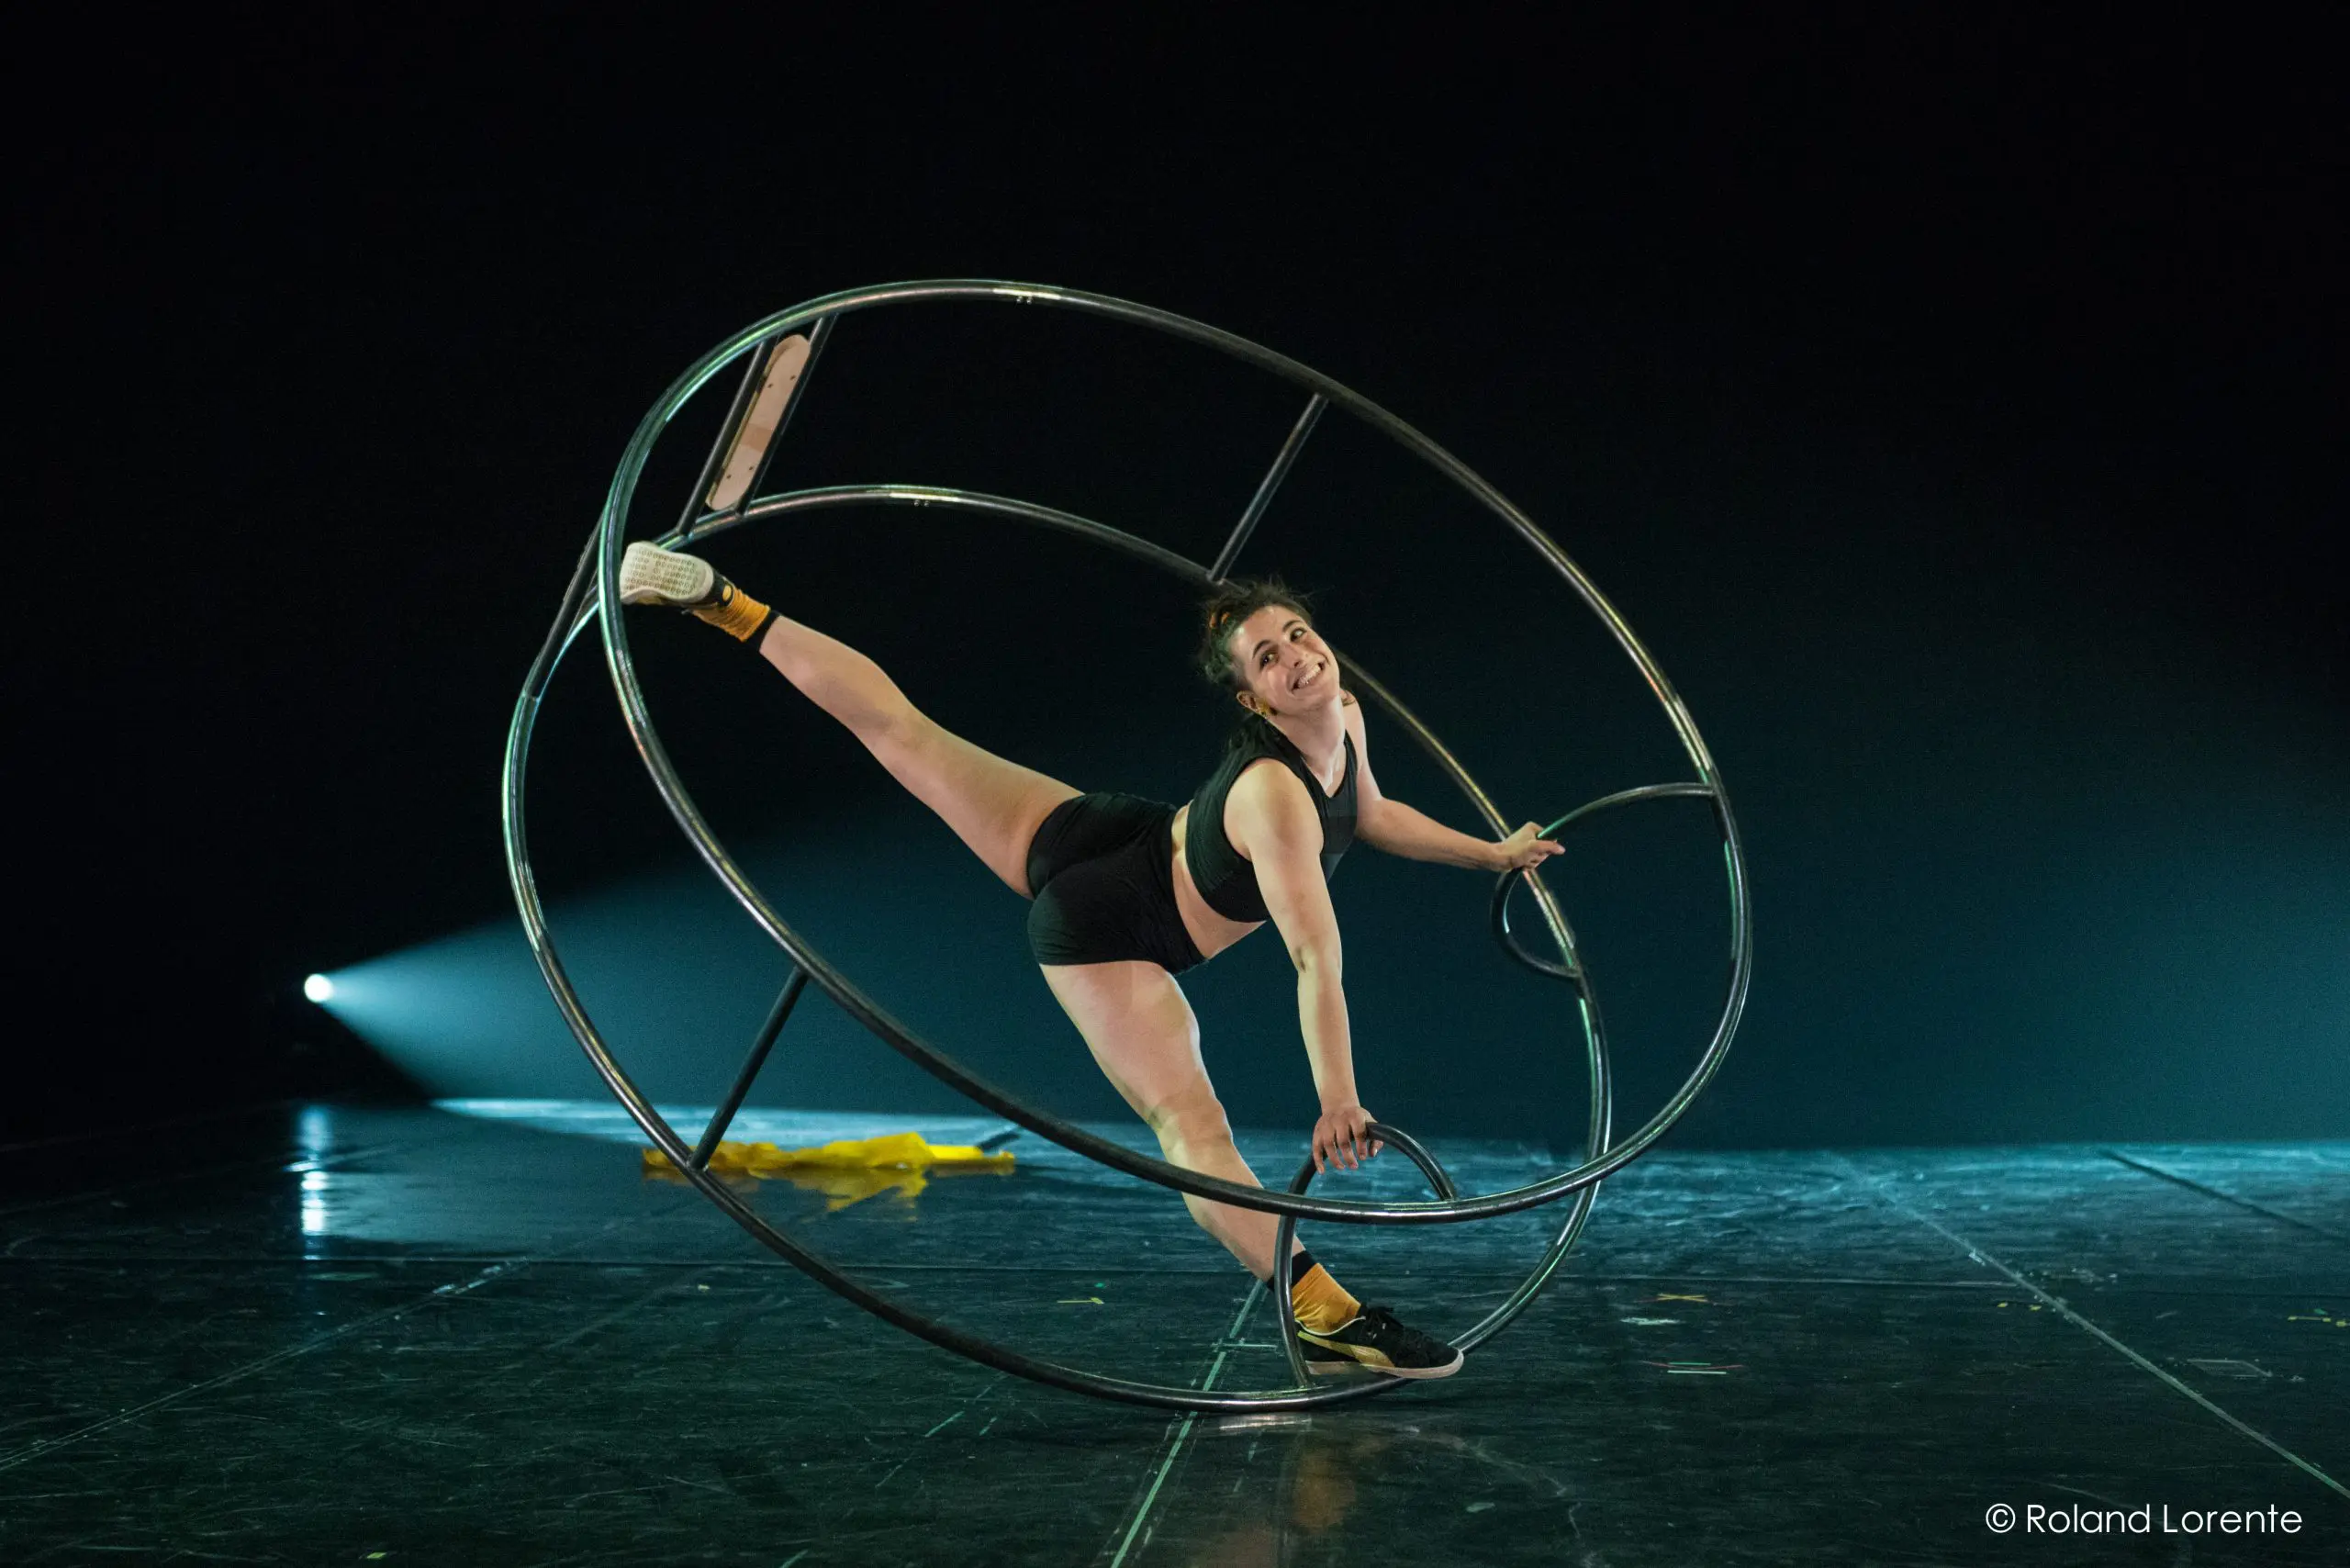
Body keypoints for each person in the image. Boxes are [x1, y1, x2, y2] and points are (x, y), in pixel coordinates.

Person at [619, 542, 1562, 1377]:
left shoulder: (1345, 717)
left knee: (910, 732)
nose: (1296, 658)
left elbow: (1372, 812)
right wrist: (1337, 1098)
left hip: (1122, 832)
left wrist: (1494, 852)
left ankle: (725, 603)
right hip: (1107, 926)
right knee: (1195, 1135)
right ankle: (1327, 1315)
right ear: (1250, 699)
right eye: (1267, 658)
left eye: (1297, 635)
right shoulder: (1273, 797)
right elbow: (1315, 957)